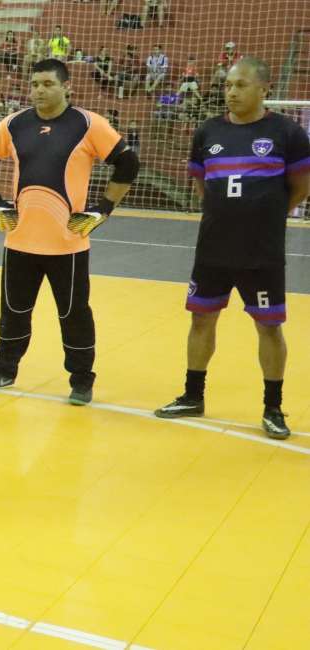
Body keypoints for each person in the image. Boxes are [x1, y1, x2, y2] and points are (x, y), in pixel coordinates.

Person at [154, 57, 310, 439]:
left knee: (269, 326)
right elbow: (202, 185)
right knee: (201, 319)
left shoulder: (287, 133)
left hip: (262, 252)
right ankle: (193, 395)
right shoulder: (207, 132)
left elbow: (302, 186)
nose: (232, 92)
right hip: (213, 249)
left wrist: (268, 216)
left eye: (240, 85)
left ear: (263, 89)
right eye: (227, 85)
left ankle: (273, 407)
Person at [0, 58, 140, 405]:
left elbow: (128, 162)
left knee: (74, 315)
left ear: (67, 87)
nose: (39, 90)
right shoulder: (14, 124)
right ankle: (4, 369)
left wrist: (102, 208)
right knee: (13, 312)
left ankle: (81, 380)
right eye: (34, 84)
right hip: (19, 240)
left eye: (48, 84)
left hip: (68, 244)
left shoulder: (88, 124)